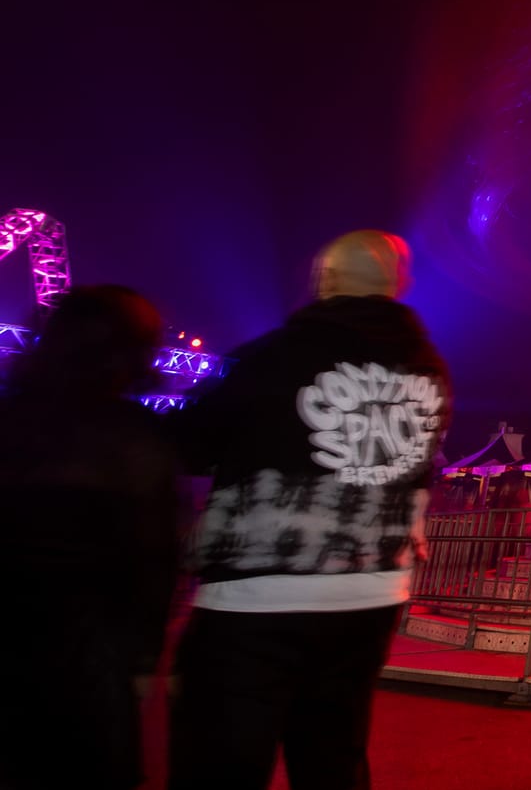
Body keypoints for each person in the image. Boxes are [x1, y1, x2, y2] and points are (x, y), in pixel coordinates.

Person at [170, 231, 452, 790]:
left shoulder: (272, 356)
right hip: (374, 588)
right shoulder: (431, 369)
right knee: (332, 753)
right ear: (398, 284)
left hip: (259, 589)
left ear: (325, 279)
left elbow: (191, 444)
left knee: (222, 758)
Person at [0, 286, 179, 789]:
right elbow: (154, 555)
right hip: (93, 648)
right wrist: (145, 659)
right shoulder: (136, 435)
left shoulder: (8, 421)